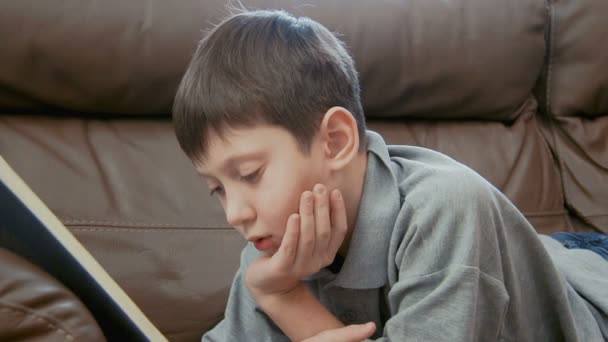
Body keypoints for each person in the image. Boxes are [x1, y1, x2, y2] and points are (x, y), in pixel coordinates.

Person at [172, 9, 608, 342]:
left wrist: (284, 300)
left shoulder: (443, 207)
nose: (234, 213)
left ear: (336, 141)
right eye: (217, 190)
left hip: (588, 275)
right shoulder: (269, 256)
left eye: (249, 174)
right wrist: (274, 290)